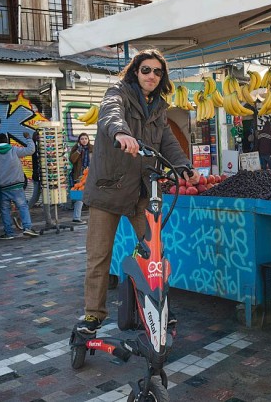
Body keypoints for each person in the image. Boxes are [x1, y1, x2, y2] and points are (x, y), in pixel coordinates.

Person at [76, 49, 198, 334]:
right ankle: (93, 315)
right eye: (146, 70)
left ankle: (158, 307)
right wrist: (120, 133)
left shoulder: (159, 107)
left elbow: (168, 141)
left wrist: (183, 166)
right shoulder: (117, 92)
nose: (151, 76)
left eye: (157, 71)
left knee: (155, 256)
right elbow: (110, 113)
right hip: (108, 188)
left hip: (143, 191)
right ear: (135, 71)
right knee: (99, 256)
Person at [0, 132, 39, 239]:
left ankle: (9, 232)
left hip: (2, 186)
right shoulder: (14, 150)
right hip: (16, 185)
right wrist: (28, 138)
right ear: (7, 140)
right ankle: (27, 228)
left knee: (5, 210)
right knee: (23, 206)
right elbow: (31, 150)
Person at [26, 131, 53, 228]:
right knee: (44, 198)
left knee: (36, 198)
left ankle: (21, 216)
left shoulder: (37, 147)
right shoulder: (36, 148)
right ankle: (49, 221)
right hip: (40, 177)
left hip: (39, 176)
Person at [69, 132, 93, 224]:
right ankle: (76, 217)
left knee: (94, 196)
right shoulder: (76, 149)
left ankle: (95, 218)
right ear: (79, 140)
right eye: (82, 139)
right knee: (79, 197)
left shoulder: (92, 148)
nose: (84, 140)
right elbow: (72, 160)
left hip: (91, 175)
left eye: (86, 139)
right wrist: (79, 151)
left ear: (88, 139)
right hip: (80, 176)